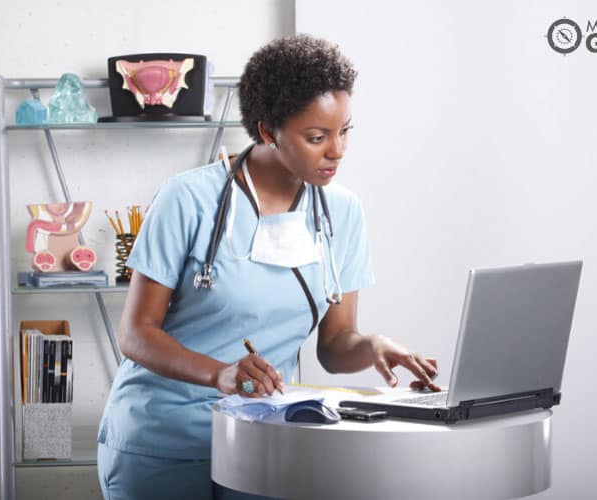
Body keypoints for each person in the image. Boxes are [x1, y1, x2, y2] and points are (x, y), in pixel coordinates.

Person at [97, 34, 440, 500]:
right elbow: (135, 334)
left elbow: (336, 346)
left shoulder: (341, 212)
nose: (336, 150)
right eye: (316, 137)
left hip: (262, 439)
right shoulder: (188, 199)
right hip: (163, 440)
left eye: (345, 131)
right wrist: (219, 373)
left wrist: (373, 346)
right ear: (266, 131)